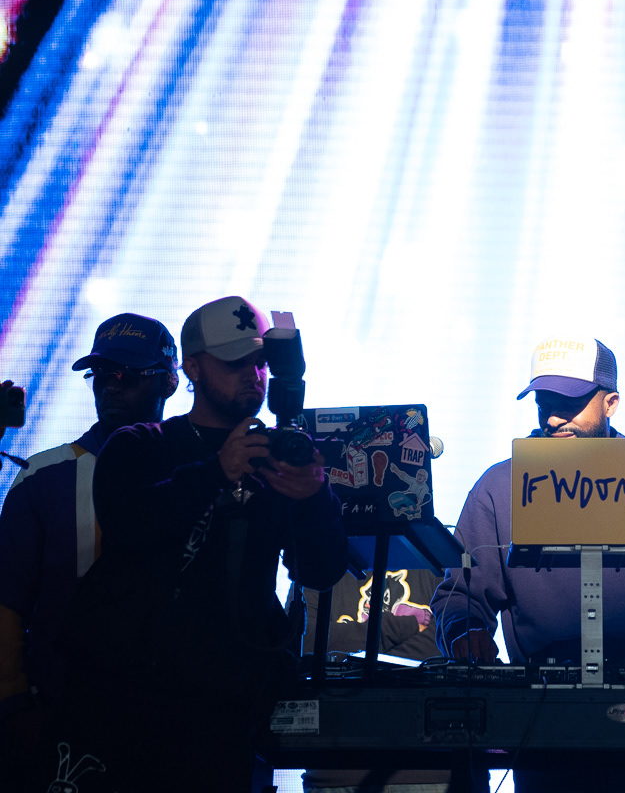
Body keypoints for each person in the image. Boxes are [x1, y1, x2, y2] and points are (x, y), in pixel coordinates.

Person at [29, 296, 347, 793]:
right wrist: (216, 473)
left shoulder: (274, 460)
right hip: (117, 702)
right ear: (193, 368)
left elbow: (321, 572)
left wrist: (314, 499)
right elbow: (130, 527)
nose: (253, 376)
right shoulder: (141, 445)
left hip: (219, 715)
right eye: (234, 363)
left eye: (260, 363)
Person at [431, 336, 625, 793]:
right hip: (543, 731)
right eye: (544, 403)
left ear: (611, 403)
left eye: (570, 402)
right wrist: (464, 631)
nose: (553, 417)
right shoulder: (499, 488)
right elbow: (458, 595)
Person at [0, 314, 178, 788]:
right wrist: (15, 705)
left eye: (128, 374)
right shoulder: (44, 477)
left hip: (178, 716)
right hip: (65, 714)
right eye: (101, 373)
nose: (111, 385)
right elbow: (7, 603)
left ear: (170, 381)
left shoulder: (203, 471)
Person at [300, 568, 449, 793]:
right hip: (336, 773)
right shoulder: (320, 559)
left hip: (433, 771)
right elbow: (307, 644)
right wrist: (403, 625)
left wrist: (350, 655)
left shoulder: (436, 557)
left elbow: (443, 647)